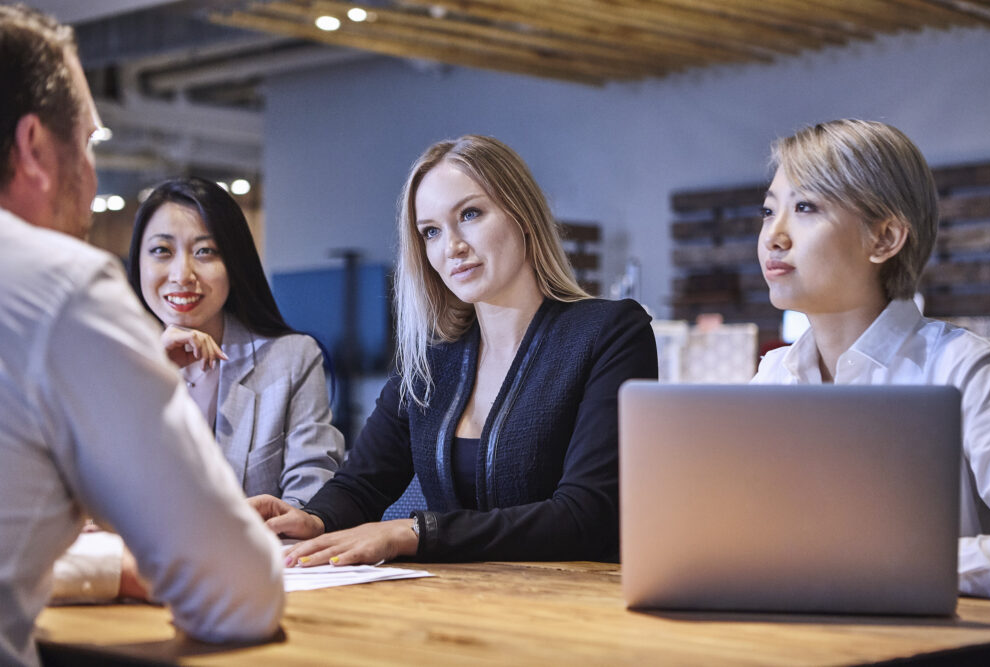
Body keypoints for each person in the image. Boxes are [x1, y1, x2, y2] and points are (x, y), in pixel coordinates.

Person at [0, 6, 283, 665]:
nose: (94, 175)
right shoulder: (61, 286)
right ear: (36, 148)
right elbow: (239, 592)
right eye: (91, 143)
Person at [252, 135, 658, 566]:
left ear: (522, 214)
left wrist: (415, 532)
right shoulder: (434, 359)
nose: (452, 247)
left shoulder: (609, 333)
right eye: (431, 231)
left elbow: (585, 515)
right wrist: (313, 519)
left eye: (470, 214)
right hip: (453, 605)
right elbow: (362, 485)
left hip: (576, 606)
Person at [752, 119, 990, 597]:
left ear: (885, 237)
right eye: (768, 211)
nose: (773, 237)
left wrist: (891, 563)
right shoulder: (773, 375)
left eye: (805, 207)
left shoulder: (966, 370)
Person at [127, 178, 343, 506]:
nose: (182, 274)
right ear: (138, 263)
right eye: (162, 251)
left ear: (234, 263)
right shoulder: (112, 360)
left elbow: (312, 498)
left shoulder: (291, 358)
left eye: (205, 251)